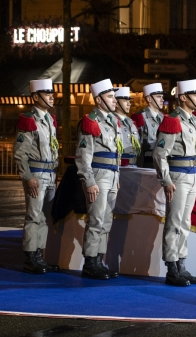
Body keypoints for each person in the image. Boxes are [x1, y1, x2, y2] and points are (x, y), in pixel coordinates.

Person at [153, 79, 196, 287]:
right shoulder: (173, 120)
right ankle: (172, 267)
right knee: (174, 222)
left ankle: (182, 264)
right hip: (178, 176)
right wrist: (166, 180)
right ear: (183, 97)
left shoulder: (194, 120)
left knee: (185, 222)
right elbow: (159, 153)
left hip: (192, 175)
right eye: (195, 94)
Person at [75, 79, 122, 280]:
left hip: (111, 175)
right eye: (110, 97)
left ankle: (99, 260)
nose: (114, 101)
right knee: (96, 219)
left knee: (107, 221)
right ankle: (90, 261)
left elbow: (116, 152)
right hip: (99, 175)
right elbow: (83, 156)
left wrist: (117, 175)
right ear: (99, 100)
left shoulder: (112, 120)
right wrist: (89, 181)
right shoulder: (90, 121)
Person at [13, 79, 60, 274]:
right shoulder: (28, 119)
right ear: (35, 97)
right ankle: (30, 257)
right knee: (33, 216)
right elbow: (20, 152)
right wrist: (27, 176)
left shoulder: (50, 119)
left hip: (50, 173)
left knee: (44, 217)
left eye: (52, 93)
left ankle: (40, 255)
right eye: (47, 93)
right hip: (37, 174)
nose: (52, 96)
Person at [131, 83, 164, 168]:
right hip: (147, 164)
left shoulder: (164, 117)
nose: (162, 99)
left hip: (163, 163)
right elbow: (137, 145)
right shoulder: (140, 117)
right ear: (149, 99)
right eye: (158, 96)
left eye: (162, 96)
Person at [114, 87, 142, 167]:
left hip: (134, 165)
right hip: (120, 167)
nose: (129, 104)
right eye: (125, 101)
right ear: (116, 103)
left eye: (129, 101)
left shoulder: (132, 122)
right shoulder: (112, 121)